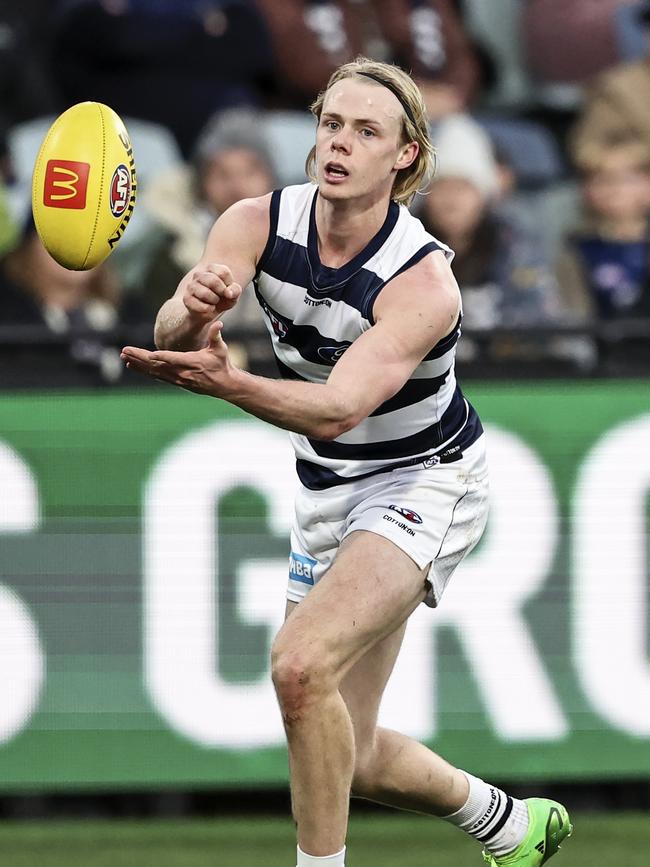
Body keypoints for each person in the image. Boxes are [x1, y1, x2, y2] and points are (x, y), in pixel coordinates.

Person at [121, 57, 573, 867]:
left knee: (299, 666)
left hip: (427, 479)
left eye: (367, 132)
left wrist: (227, 382)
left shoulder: (422, 279)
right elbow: (172, 338)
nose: (339, 143)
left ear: (405, 156)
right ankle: (509, 824)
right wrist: (186, 313)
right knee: (351, 752)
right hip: (328, 488)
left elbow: (339, 408)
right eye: (331, 123)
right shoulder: (255, 221)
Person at [418, 113, 562, 361]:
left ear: (484, 195)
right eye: (441, 187)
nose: (451, 200)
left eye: (463, 187)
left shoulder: (514, 243)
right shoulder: (404, 241)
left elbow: (539, 316)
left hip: (505, 375)